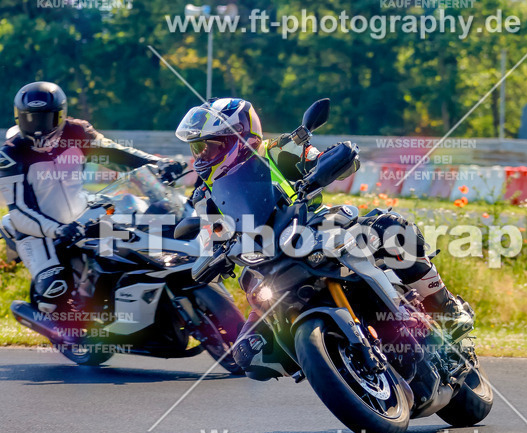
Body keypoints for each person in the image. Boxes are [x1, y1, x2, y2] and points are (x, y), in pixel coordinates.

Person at [176, 97, 473, 369]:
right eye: (197, 148)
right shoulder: (205, 195)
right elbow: (207, 235)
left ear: (239, 136)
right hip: (264, 264)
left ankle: (445, 308)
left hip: (315, 230)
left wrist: (330, 160)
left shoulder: (279, 150)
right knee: (248, 355)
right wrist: (211, 256)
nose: (202, 154)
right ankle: (329, 360)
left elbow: (330, 160)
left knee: (390, 228)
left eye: (210, 145)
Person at [0, 81, 184, 311]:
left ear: (60, 115)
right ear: (19, 117)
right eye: (30, 119)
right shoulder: (10, 154)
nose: (37, 127)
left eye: (44, 118)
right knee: (54, 293)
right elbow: (20, 211)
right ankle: (69, 333)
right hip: (36, 232)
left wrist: (158, 163)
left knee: (136, 231)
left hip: (81, 211)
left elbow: (117, 153)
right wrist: (57, 230)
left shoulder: (77, 131)